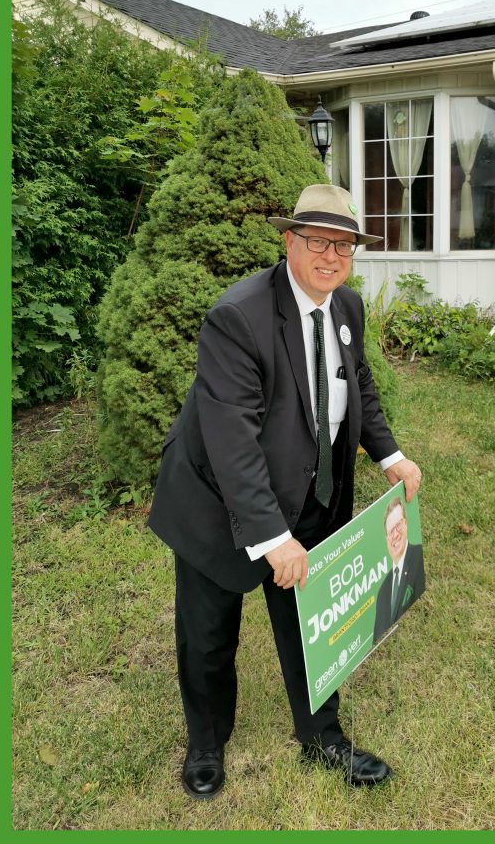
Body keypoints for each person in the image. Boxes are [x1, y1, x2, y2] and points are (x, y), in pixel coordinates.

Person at [148, 184, 422, 799]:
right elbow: (232, 443)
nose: (332, 256)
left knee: (311, 623)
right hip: (216, 500)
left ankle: (321, 735)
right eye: (320, 242)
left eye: (344, 245)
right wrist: (273, 538)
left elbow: (360, 390)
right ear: (290, 241)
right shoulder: (238, 317)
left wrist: (391, 456)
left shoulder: (346, 307)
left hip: (310, 489)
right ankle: (207, 742)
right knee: (209, 629)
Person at [373, 497, 425, 643]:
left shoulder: (417, 557)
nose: (395, 535)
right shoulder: (383, 591)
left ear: (406, 523)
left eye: (398, 525)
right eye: (390, 531)